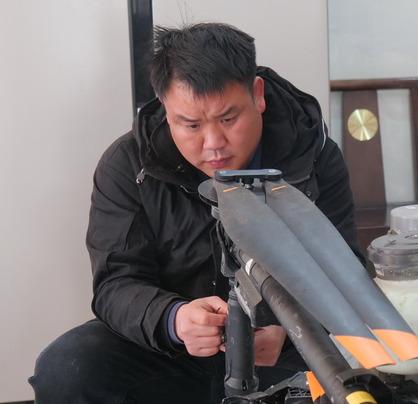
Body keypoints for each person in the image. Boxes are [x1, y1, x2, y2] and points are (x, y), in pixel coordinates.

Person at [30, 22, 362, 403]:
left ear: (258, 95)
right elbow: (115, 285)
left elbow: (346, 273)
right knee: (66, 369)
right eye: (190, 125)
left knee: (357, 379)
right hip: (172, 349)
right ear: (166, 108)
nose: (214, 144)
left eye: (228, 119)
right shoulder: (128, 165)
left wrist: (291, 329)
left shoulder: (313, 156)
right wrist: (174, 319)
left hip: (279, 351)